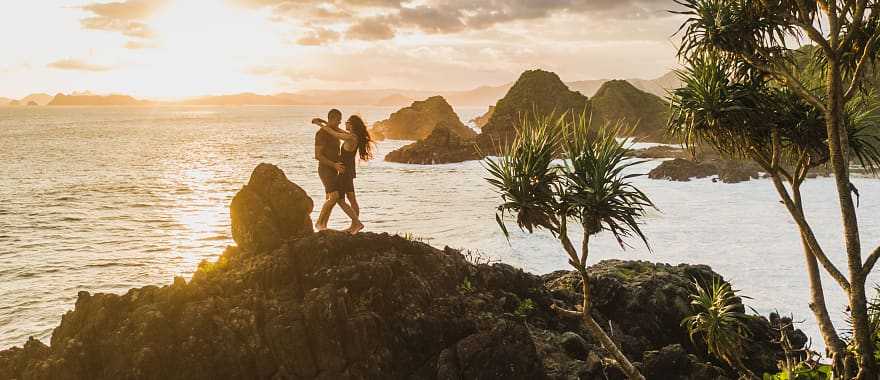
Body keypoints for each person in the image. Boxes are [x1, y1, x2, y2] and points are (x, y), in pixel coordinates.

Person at [312, 115, 374, 234]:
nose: (343, 123)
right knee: (351, 198)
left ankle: (356, 223)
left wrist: (320, 125)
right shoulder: (353, 136)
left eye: (346, 122)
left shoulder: (350, 138)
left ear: (351, 125)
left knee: (340, 199)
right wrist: (326, 122)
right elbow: (338, 131)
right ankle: (354, 226)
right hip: (349, 170)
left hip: (344, 172)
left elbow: (335, 133)